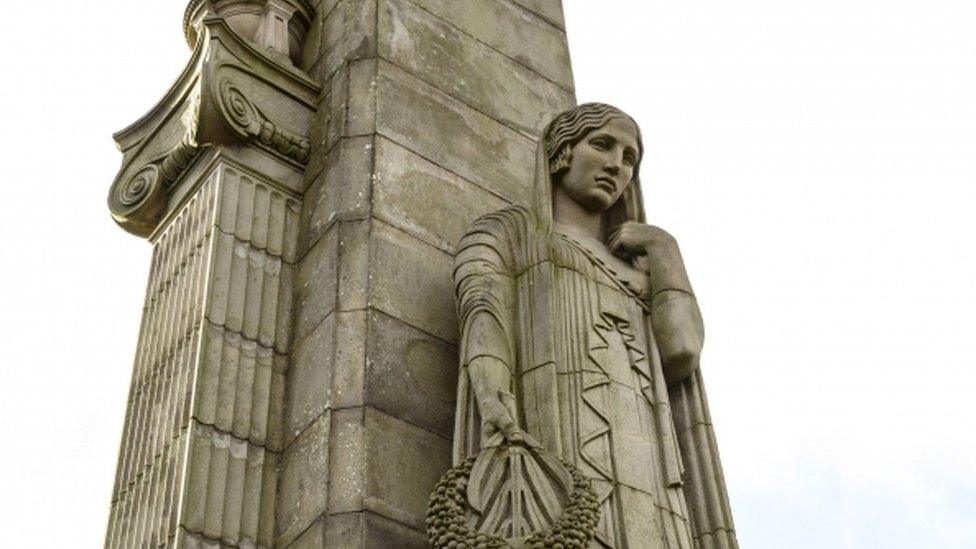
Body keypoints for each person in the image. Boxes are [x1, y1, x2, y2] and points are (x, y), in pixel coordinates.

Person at [452, 103, 737, 548]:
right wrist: (493, 401)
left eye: (629, 159)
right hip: (556, 431)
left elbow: (681, 351)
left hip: (649, 460)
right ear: (561, 152)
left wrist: (665, 250)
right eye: (602, 145)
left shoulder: (644, 272)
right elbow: (484, 315)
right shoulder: (509, 234)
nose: (615, 165)